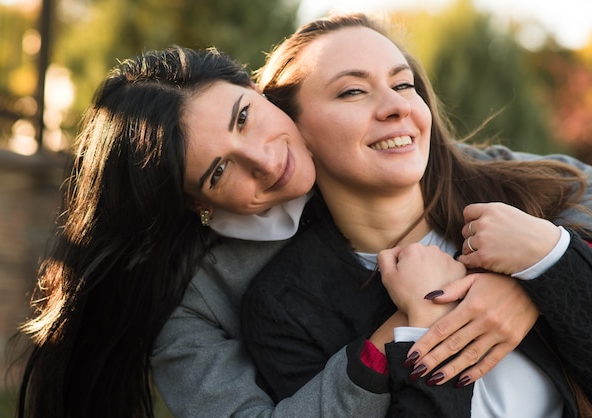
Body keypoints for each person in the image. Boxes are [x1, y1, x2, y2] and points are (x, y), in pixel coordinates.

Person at [15, 41, 592, 418]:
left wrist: (531, 281)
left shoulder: (378, 158)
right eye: (219, 171)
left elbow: (553, 183)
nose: (265, 161)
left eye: (245, 117)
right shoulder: (195, 308)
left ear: (268, 99)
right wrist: (410, 323)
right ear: (196, 204)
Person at [241, 12, 592, 417]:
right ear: (293, 130)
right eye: (353, 91)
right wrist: (420, 323)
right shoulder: (286, 308)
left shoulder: (531, 201)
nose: (395, 106)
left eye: (403, 84)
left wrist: (548, 261)